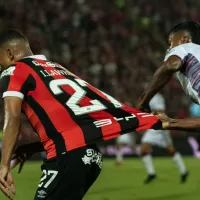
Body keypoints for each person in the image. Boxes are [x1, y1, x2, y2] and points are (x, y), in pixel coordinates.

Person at [0, 29, 164, 200]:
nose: (1, 67)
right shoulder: (56, 67)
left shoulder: (13, 70)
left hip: (67, 156)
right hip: (91, 154)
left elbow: (12, 116)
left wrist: (4, 165)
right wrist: (34, 147)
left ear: (10, 53)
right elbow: (69, 123)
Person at [136, 21, 200, 146]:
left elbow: (171, 65)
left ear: (185, 39)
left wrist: (143, 101)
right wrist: (169, 123)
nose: (169, 48)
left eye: (171, 42)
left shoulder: (185, 47)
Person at [140, 93, 188, 184]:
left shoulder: (156, 97)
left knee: (169, 150)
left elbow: (160, 111)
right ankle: (152, 173)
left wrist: (149, 115)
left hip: (158, 126)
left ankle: (184, 170)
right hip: (155, 126)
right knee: (144, 150)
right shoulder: (150, 96)